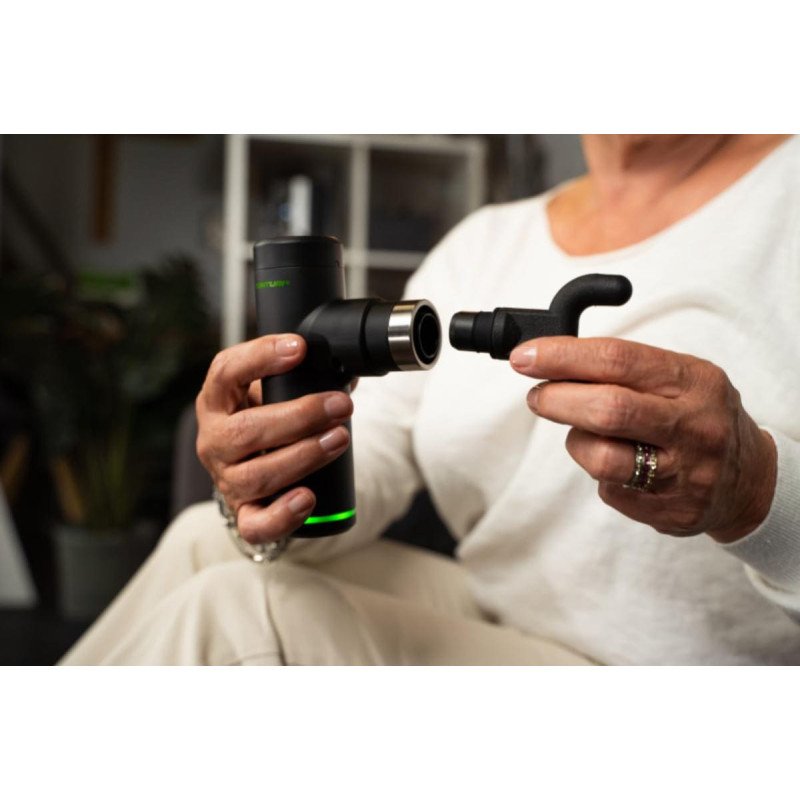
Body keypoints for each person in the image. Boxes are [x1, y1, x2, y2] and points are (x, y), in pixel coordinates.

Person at [60, 134, 800, 666]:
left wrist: (755, 491)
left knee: (236, 610)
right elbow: (373, 458)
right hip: (497, 614)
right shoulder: (484, 242)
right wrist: (268, 470)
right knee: (202, 537)